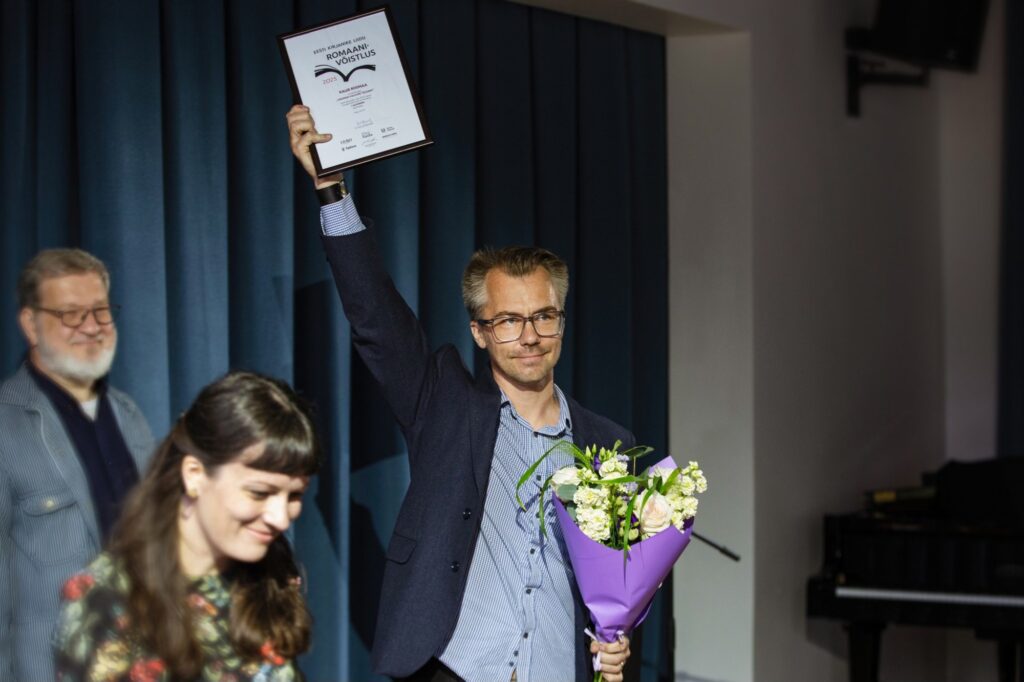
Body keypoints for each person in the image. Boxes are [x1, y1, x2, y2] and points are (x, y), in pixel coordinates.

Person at [287, 105, 632, 682]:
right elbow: (377, 319)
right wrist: (331, 191)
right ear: (479, 332)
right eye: (509, 321)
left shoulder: (609, 445)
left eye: (544, 316)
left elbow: (614, 586)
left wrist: (613, 642)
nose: (529, 336)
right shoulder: (444, 404)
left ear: (562, 322)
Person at [53, 371, 321, 682]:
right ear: (194, 474)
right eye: (259, 493)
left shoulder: (271, 574)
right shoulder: (108, 597)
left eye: (294, 496)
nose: (281, 518)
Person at [0, 248, 154, 682]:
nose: (91, 326)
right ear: (30, 324)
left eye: (101, 311)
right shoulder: (6, 425)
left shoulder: (128, 414)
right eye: (70, 314)